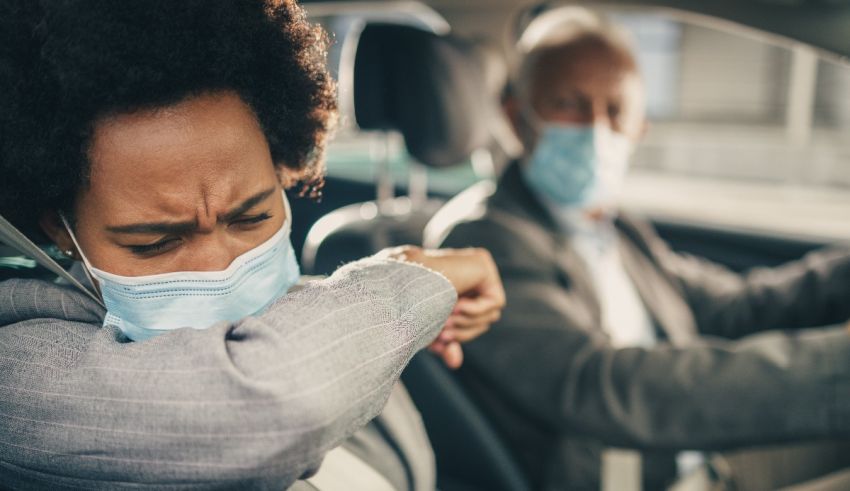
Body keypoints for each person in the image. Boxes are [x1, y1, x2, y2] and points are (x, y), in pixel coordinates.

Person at [0, 0, 505, 489]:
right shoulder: (16, 375)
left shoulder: (323, 310)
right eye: (156, 243)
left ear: (284, 175)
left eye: (251, 217)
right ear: (60, 230)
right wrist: (408, 279)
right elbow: (279, 404)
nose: (222, 266)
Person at [438, 7, 850, 491]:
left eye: (616, 111)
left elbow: (734, 307)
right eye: (569, 103)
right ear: (516, 115)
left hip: (703, 463)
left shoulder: (615, 227)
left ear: (640, 129)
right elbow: (605, 387)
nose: (595, 128)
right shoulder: (484, 242)